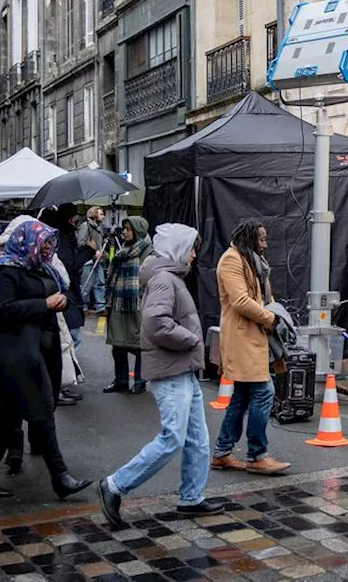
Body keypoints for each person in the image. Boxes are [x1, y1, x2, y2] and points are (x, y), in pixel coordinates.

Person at [99, 224, 220, 527]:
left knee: (197, 439)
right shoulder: (166, 280)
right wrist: (191, 339)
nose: (194, 255)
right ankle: (114, 485)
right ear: (179, 248)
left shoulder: (168, 277)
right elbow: (155, 322)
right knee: (173, 438)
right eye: (191, 248)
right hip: (172, 371)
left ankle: (191, 497)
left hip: (181, 370)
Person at [0, 221, 91, 500]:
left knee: (11, 416)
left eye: (51, 242)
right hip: (14, 356)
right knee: (42, 412)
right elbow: (1, 310)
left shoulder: (40, 267)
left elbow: (59, 293)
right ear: (27, 242)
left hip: (39, 352)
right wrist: (44, 304)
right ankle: (60, 477)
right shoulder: (4, 270)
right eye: (45, 242)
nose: (49, 247)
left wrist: (61, 301)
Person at [211, 221, 290, 475]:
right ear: (248, 238)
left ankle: (222, 452)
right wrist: (270, 319)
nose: (265, 245)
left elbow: (265, 298)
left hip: (254, 336)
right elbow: (241, 300)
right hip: (242, 337)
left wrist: (276, 314)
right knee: (264, 390)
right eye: (261, 239)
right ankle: (257, 455)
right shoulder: (232, 260)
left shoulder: (252, 260)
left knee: (242, 396)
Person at [43, 204, 91, 404]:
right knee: (69, 340)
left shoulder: (65, 235)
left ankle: (60, 383)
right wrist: (88, 251)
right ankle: (57, 384)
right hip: (64, 295)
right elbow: (69, 263)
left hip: (68, 295)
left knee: (69, 340)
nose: (75, 220)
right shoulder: (61, 237)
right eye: (72, 216)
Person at [102, 217, 153, 395]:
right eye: (124, 229)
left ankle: (140, 381)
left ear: (137, 230)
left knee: (139, 346)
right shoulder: (123, 251)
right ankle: (121, 380)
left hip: (137, 304)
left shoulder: (149, 252)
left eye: (128, 229)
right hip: (119, 303)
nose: (124, 232)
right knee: (118, 345)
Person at [77, 207, 106, 313]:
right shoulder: (86, 226)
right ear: (94, 215)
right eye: (101, 214)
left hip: (99, 260)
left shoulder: (100, 228)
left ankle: (100, 307)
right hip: (88, 260)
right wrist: (92, 251)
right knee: (86, 285)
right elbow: (80, 243)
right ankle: (83, 306)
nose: (103, 217)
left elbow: (100, 244)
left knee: (100, 283)